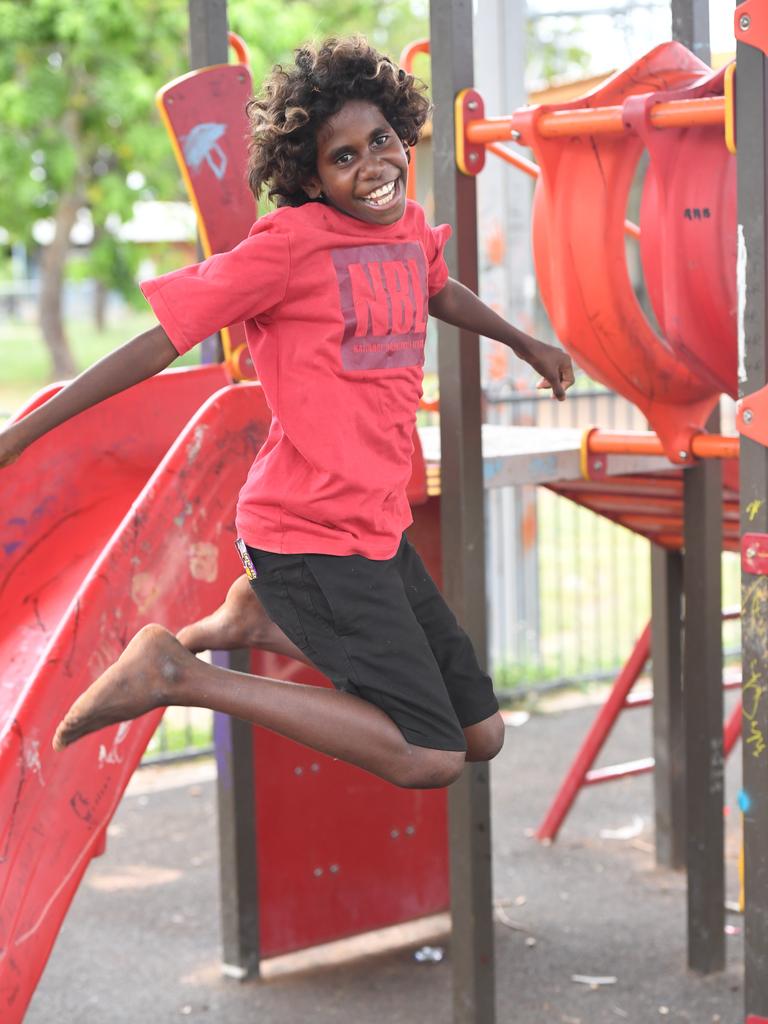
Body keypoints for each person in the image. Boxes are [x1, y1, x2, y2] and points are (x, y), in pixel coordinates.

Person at [0, 37, 574, 789]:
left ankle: (255, 623)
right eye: (344, 158)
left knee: (481, 733)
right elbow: (161, 341)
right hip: (308, 537)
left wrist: (526, 342)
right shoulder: (287, 249)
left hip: (373, 528)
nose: (373, 166)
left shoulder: (404, 227)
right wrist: (21, 433)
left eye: (383, 140)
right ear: (309, 176)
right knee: (429, 755)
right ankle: (180, 673)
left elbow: (437, 287)